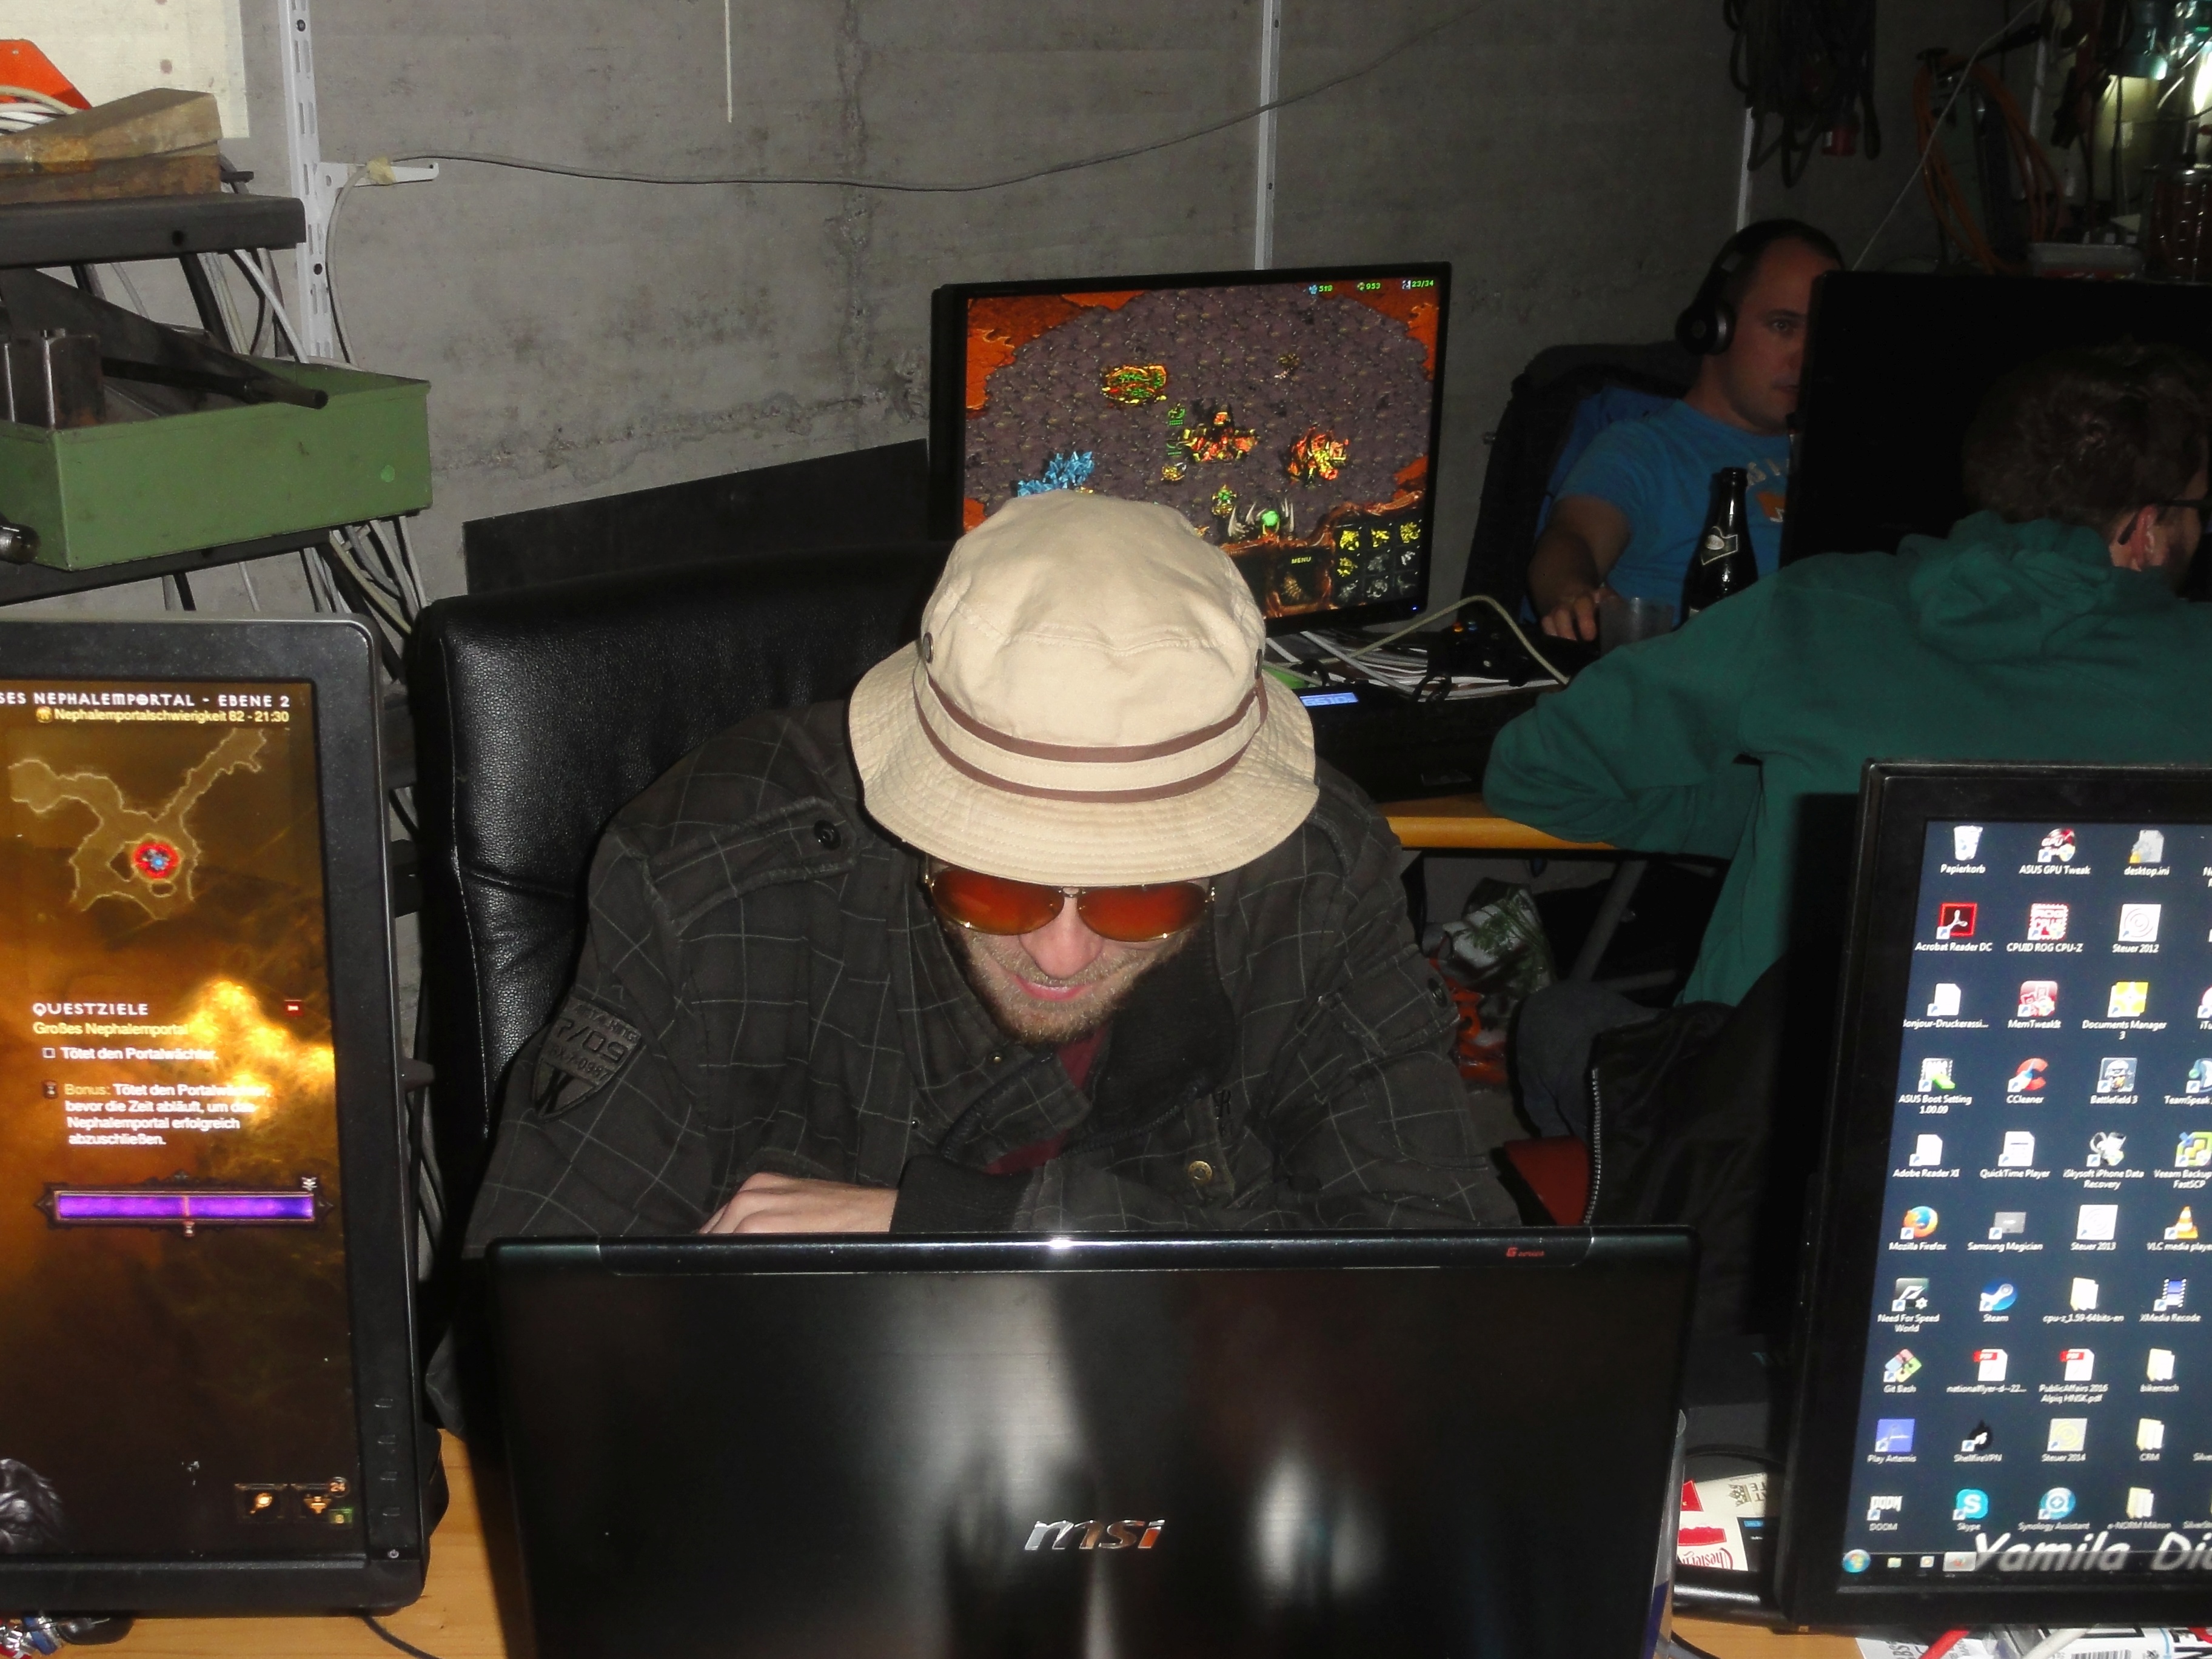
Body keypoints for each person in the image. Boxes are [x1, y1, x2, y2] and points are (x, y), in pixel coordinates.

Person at [463, 491, 1515, 1244]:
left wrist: (948, 1222)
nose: (1060, 954)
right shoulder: (715, 877)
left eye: (1139, 897)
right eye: (998, 885)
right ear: (924, 822)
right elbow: (532, 1320)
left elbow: (1436, 1261)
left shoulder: (1313, 870)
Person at [1487, 340, 2212, 1139]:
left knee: (1560, 1018)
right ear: (2145, 529)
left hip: (1772, 1144)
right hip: (2114, 1132)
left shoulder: (1815, 608)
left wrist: (1814, 822)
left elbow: (1536, 771)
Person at [1529, 219, 1843, 641]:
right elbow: (1572, 538)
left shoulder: (1849, 451)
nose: (1805, 357)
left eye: (1821, 329)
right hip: (1724, 671)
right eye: (1783, 326)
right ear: (1715, 327)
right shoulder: (1643, 450)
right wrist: (1572, 593)